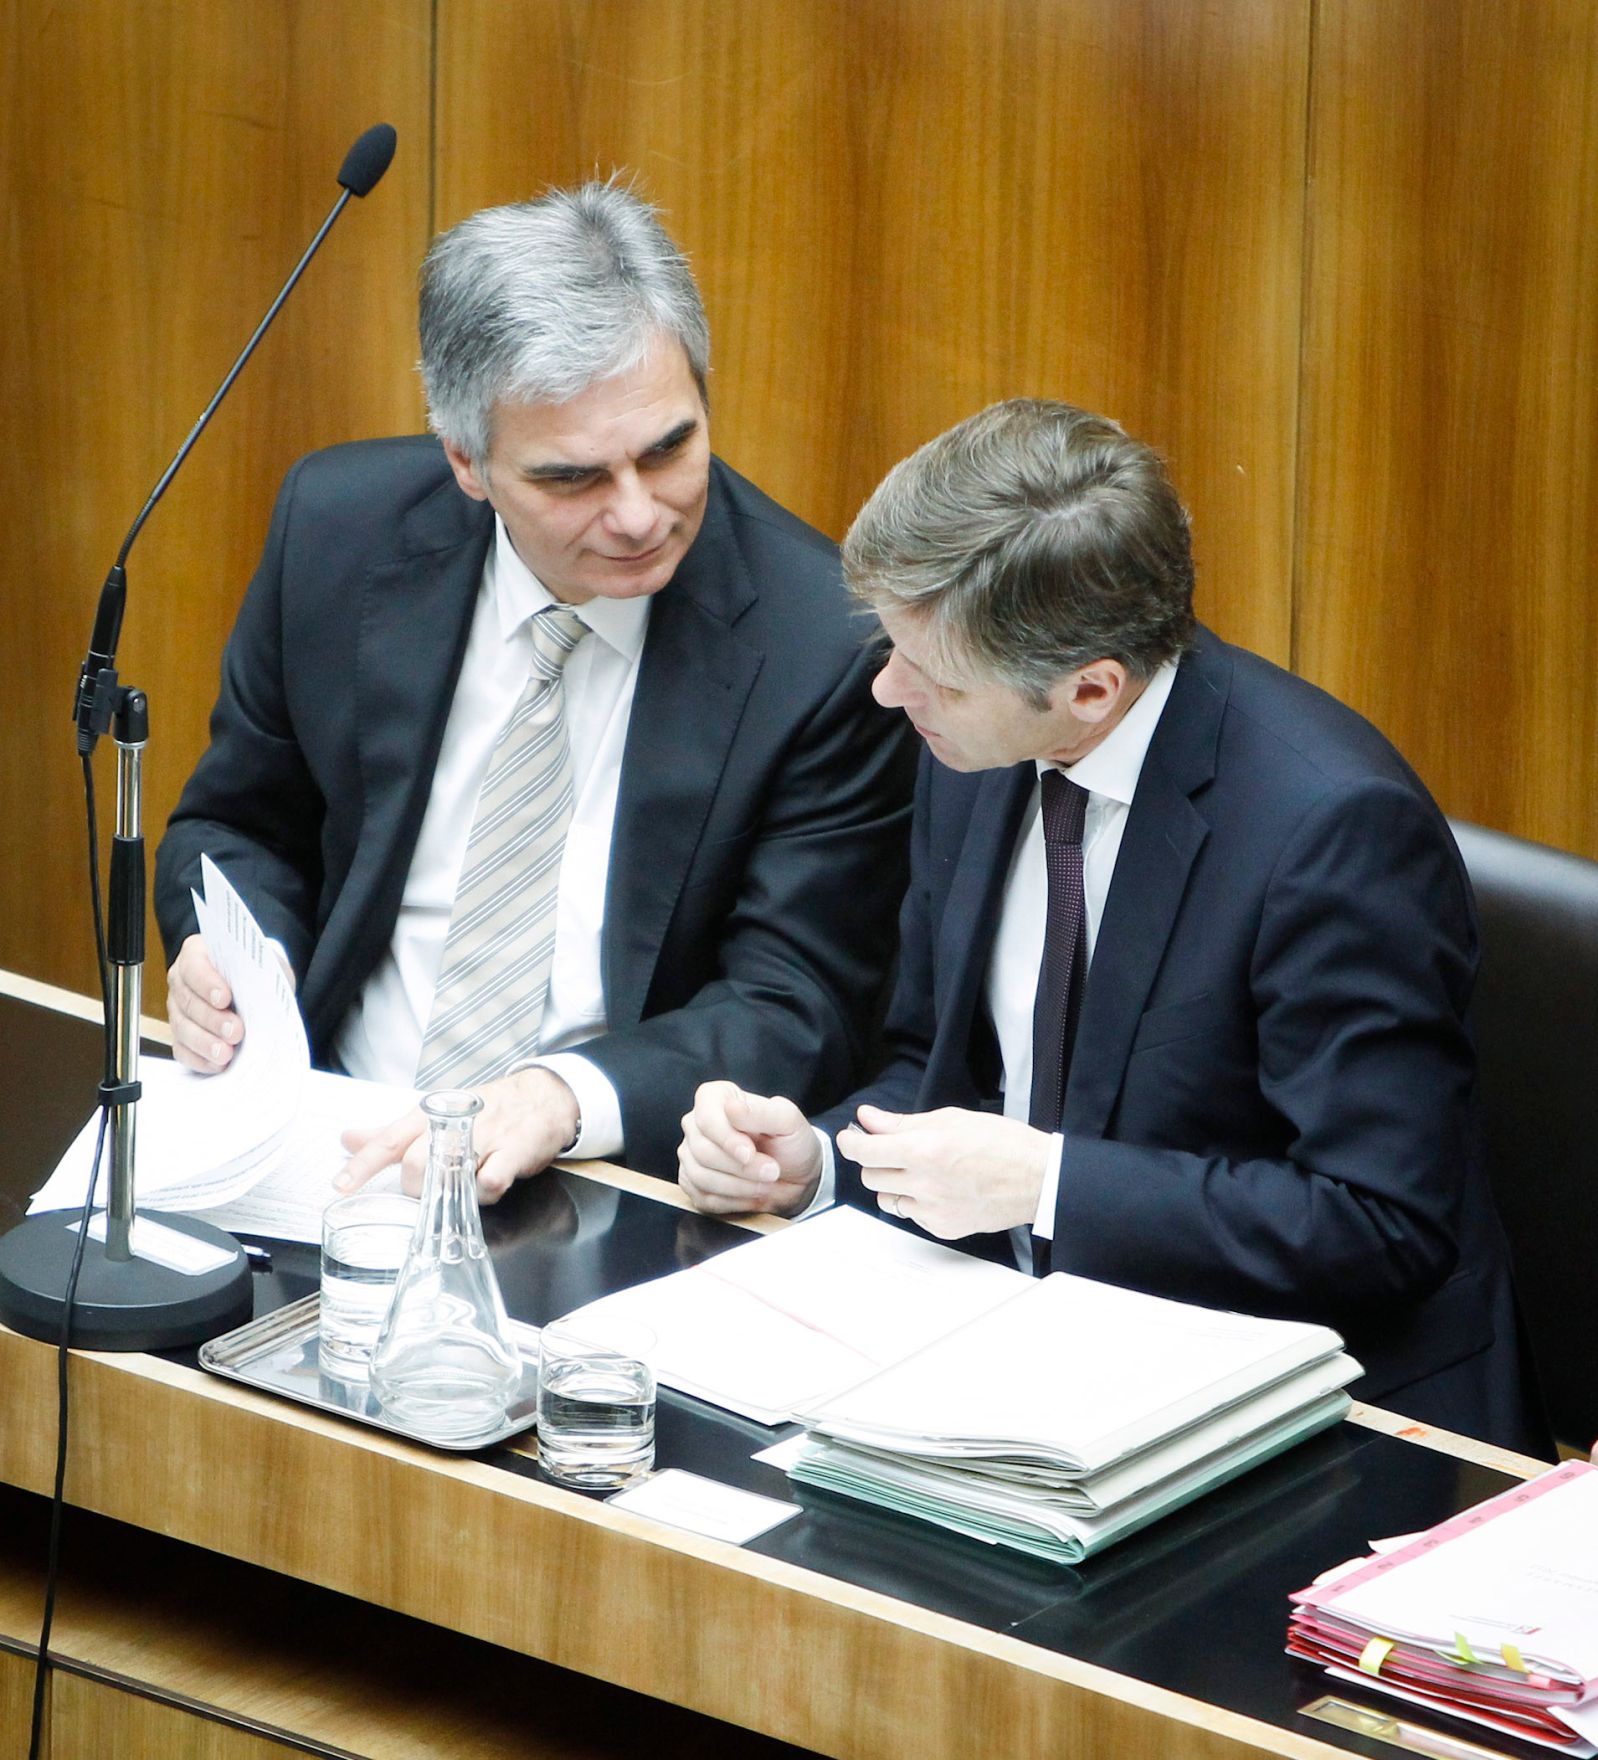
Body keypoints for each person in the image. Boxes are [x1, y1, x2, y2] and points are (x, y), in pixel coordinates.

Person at [678, 398, 1545, 1452]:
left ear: (1091, 688)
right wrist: (817, 1164)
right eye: (890, 646)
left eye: (932, 674)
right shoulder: (973, 749)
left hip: (1317, 1410)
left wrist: (1044, 1181)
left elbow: (1378, 1221)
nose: (885, 690)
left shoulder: (1330, 833)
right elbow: (936, 1067)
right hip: (1023, 1352)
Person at [155, 181, 915, 1198]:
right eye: (573, 478)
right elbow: (239, 822)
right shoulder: (338, 529)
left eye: (668, 448)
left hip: (600, 1175)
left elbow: (798, 999)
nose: (639, 514)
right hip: (325, 1131)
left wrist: (563, 1095)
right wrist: (225, 955)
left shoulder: (820, 642)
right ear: (467, 460)